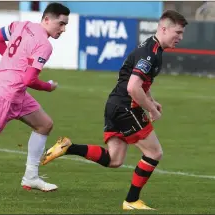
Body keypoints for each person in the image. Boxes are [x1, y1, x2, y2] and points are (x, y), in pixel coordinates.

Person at [41, 10, 187, 208]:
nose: (180, 37)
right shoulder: (150, 53)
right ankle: (132, 200)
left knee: (114, 159)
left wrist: (152, 99)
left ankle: (68, 146)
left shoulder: (152, 48)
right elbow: (133, 87)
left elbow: (139, 82)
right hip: (126, 108)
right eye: (177, 32)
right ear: (164, 28)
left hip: (115, 105)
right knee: (154, 153)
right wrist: (151, 109)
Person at [0, 2, 70, 192]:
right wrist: (48, 87)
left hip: (14, 92)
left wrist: (11, 61)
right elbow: (30, 79)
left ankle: (31, 178)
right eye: (60, 24)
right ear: (46, 19)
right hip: (4, 95)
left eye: (65, 25)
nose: (63, 29)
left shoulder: (21, 25)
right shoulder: (44, 45)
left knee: (44, 124)